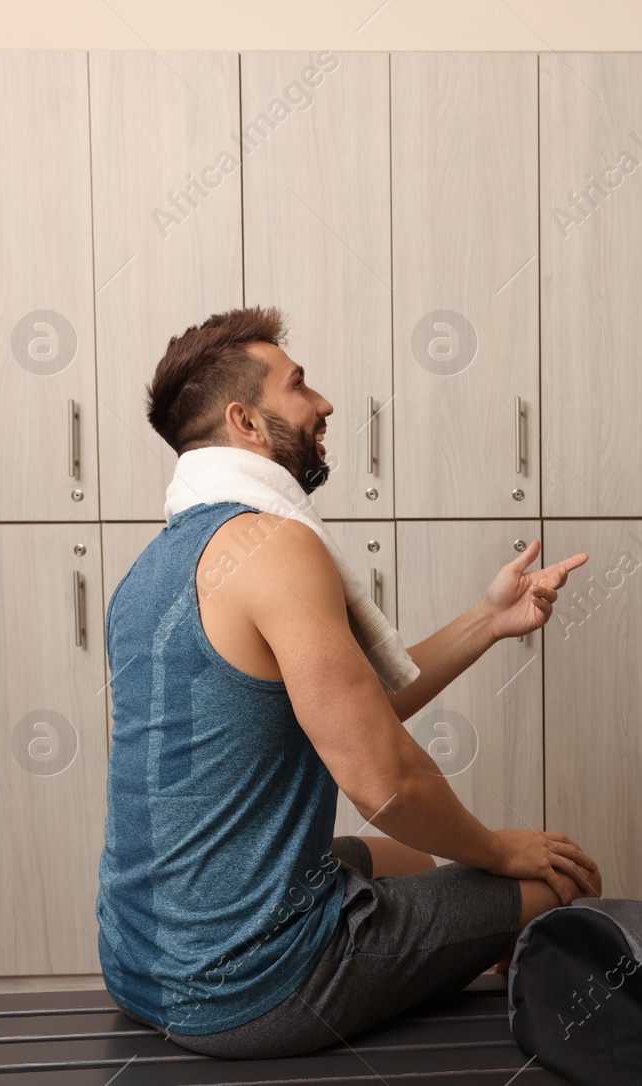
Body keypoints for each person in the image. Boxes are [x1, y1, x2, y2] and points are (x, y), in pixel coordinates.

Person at [97, 306, 602, 1059]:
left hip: (139, 964)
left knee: (405, 862)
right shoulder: (274, 544)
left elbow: (345, 708)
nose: (325, 403)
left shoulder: (155, 569)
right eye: (298, 386)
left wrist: (488, 620)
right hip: (248, 988)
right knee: (566, 878)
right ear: (247, 421)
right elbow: (383, 780)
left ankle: (451, 947)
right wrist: (501, 852)